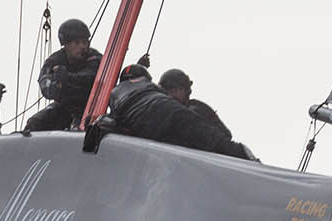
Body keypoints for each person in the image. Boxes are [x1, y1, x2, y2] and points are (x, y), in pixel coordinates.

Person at [102, 66, 255, 160]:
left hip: (205, 159)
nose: (174, 95)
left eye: (181, 90)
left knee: (222, 145)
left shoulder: (195, 108)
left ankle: (248, 159)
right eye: (171, 90)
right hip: (179, 160)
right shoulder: (160, 104)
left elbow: (219, 137)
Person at [158, 67, 257, 161]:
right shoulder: (167, 114)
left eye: (175, 90)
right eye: (167, 91)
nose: (170, 95)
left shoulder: (195, 109)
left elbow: (223, 138)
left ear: (186, 90)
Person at [24, 18, 102, 132]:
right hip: (65, 106)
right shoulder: (54, 60)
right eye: (77, 43)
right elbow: (45, 83)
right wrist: (55, 86)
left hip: (89, 105)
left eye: (85, 42)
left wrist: (68, 77)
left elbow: (92, 75)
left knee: (80, 129)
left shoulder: (94, 57)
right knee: (35, 123)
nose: (82, 47)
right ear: (65, 45)